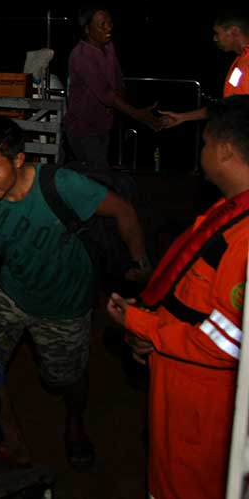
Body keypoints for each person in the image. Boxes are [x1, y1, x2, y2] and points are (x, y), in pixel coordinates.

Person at [0, 117, 150, 468]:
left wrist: (140, 263)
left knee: (67, 378)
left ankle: (74, 422)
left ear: (18, 159)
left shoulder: (62, 185)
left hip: (66, 303)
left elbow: (122, 210)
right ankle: (13, 440)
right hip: (10, 293)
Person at [107, 95, 249, 499]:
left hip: (203, 416)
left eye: (205, 143)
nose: (202, 150)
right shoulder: (230, 210)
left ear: (224, 150)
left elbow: (232, 341)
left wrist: (143, 325)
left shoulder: (244, 238)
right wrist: (153, 329)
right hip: (182, 388)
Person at [63, 4, 160, 167]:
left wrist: (116, 104)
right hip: (83, 128)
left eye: (110, 23)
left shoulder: (108, 47)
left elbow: (118, 81)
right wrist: (137, 114)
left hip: (104, 125)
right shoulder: (81, 56)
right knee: (99, 175)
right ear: (87, 29)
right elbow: (105, 94)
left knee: (96, 174)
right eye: (102, 25)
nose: (108, 28)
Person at [159, 8, 249, 129]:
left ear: (233, 31)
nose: (215, 39)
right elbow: (228, 106)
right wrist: (183, 117)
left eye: (217, 33)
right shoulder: (240, 60)